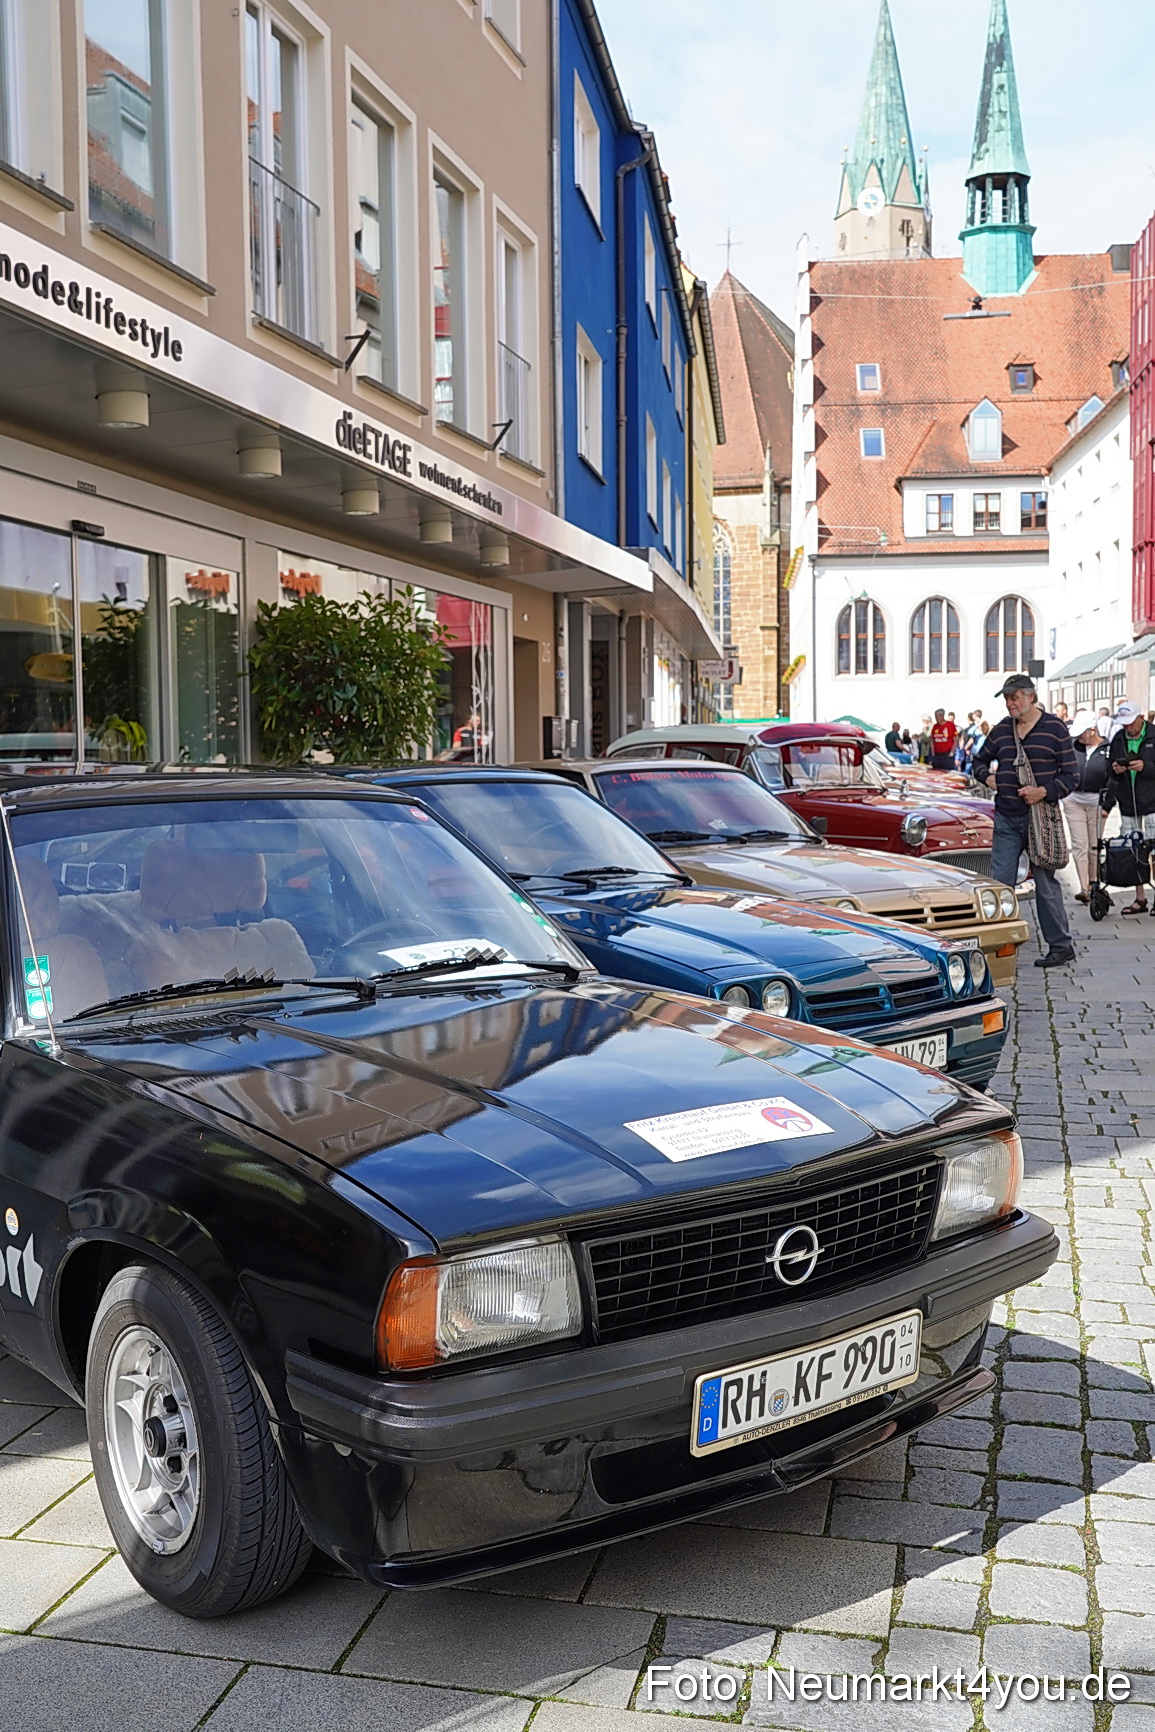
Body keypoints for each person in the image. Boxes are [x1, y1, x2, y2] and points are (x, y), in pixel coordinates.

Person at [973, 674, 1078, 967]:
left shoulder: (1054, 729)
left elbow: (1072, 777)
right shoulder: (1002, 730)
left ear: (1030, 696)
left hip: (1040, 818)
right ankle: (995, 946)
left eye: (1014, 697)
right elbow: (978, 761)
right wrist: (988, 777)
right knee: (999, 884)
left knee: (1045, 885)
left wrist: (1043, 791)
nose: (1009, 703)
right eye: (1006, 698)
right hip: (1007, 817)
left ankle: (1060, 946)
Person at [1102, 699, 1155, 914]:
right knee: (1132, 850)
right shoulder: (1118, 738)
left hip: (1152, 802)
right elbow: (1108, 768)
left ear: (1140, 718)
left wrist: (1146, 767)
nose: (1128, 728)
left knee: (1154, 850)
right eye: (1124, 724)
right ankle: (1140, 898)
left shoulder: (1153, 735)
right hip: (1128, 802)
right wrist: (1115, 768)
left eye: (1131, 723)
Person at [1063, 711, 1109, 904]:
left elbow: (1113, 778)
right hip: (1073, 799)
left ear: (1092, 730)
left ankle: (1094, 882)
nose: (1079, 737)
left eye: (1082, 732)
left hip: (1096, 801)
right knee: (1079, 844)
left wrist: (1108, 803)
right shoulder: (1074, 747)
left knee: (1094, 845)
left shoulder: (1108, 748)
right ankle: (1084, 887)